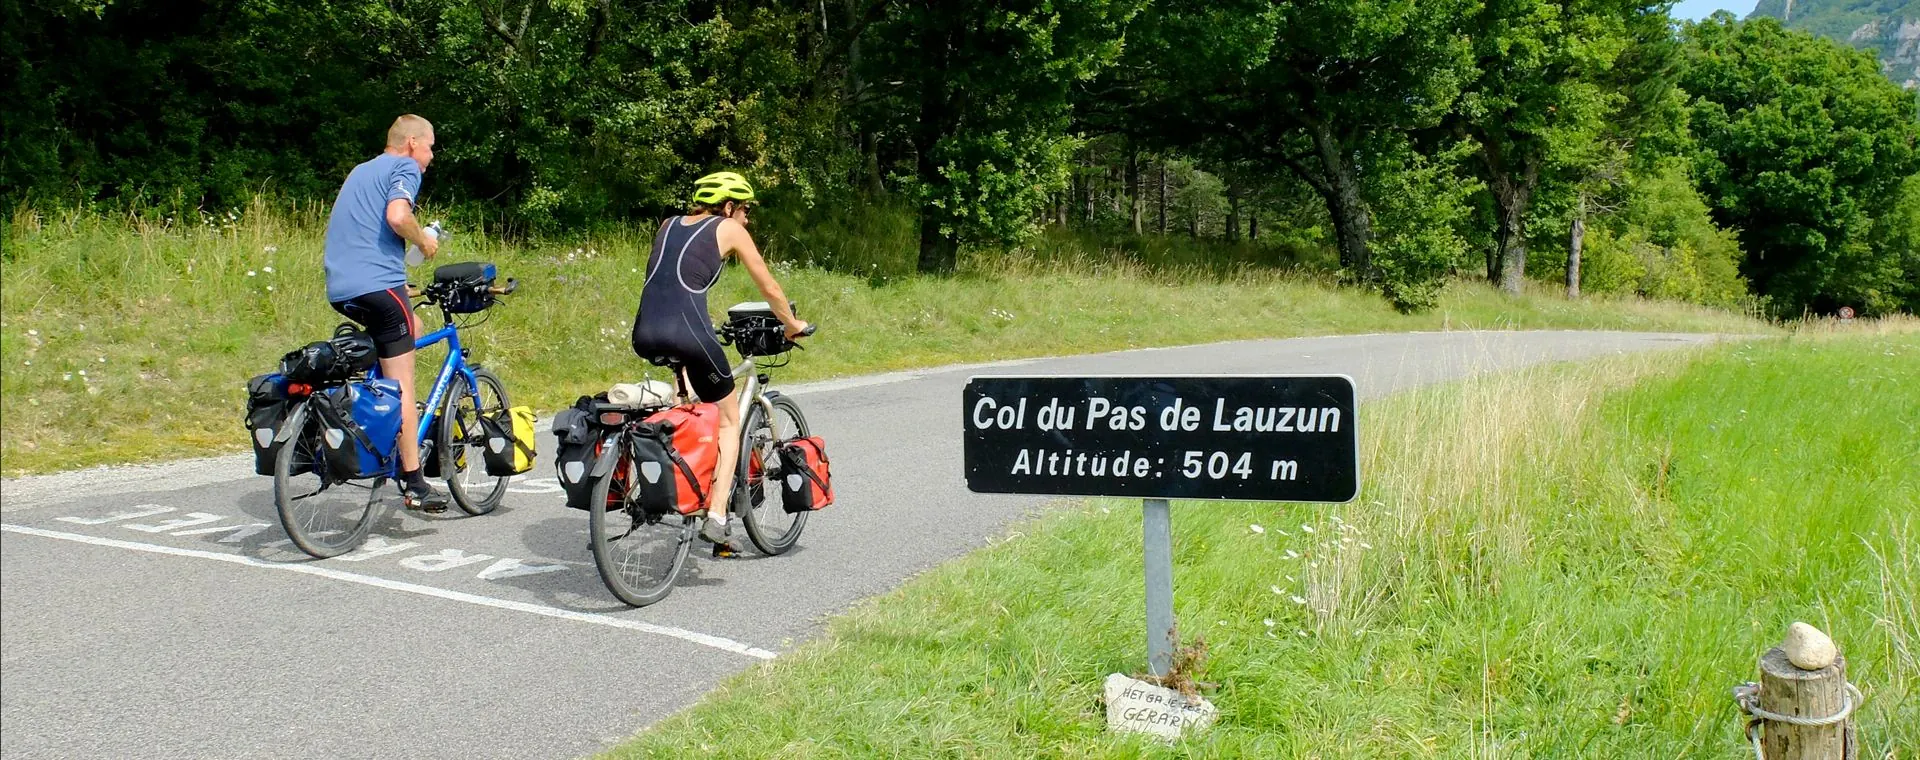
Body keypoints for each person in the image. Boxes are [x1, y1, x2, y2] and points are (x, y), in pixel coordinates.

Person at [631, 171, 808, 549]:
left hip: (645, 331)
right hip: (686, 331)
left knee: (685, 406)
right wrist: (792, 325)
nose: (746, 219)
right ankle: (716, 516)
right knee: (729, 421)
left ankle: (676, 482)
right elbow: (768, 285)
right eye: (745, 210)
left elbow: (671, 283)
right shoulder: (728, 228)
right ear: (728, 207)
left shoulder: (667, 225)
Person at [321, 114, 448, 511]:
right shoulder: (404, 167)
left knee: (412, 324)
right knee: (402, 383)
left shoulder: (360, 171)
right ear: (412, 143)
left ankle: (375, 416)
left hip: (342, 288)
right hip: (378, 285)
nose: (430, 157)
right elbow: (397, 216)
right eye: (430, 147)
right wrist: (423, 242)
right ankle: (414, 480)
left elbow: (362, 232)